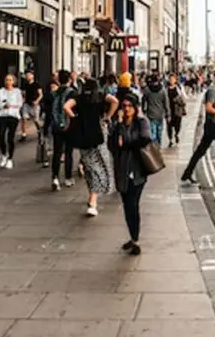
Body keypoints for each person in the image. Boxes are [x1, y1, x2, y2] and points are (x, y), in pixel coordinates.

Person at [65, 77, 118, 217]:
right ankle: (93, 200)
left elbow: (66, 106)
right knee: (99, 166)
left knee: (90, 166)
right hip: (99, 133)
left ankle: (92, 196)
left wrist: (75, 118)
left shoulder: (79, 97)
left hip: (83, 135)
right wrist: (107, 116)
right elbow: (115, 101)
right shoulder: (101, 96)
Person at [109, 91, 152, 254]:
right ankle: (133, 236)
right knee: (127, 206)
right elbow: (112, 145)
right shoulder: (118, 124)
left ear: (135, 107)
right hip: (121, 170)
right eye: (124, 106)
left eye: (129, 106)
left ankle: (136, 240)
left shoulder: (142, 122)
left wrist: (125, 144)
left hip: (137, 171)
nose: (126, 109)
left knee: (133, 205)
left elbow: (145, 139)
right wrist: (119, 125)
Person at [46, 69, 77, 190]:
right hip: (69, 126)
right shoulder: (73, 93)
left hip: (55, 126)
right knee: (68, 153)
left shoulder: (54, 93)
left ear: (58, 80)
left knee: (57, 153)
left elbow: (47, 108)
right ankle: (68, 178)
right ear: (69, 79)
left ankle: (55, 177)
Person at [0, 73, 24, 168]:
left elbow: (20, 103)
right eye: (7, 80)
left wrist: (12, 106)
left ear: (13, 81)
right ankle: (4, 155)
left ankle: (10, 158)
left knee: (10, 138)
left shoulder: (17, 91)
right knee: (1, 136)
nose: (8, 82)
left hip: (13, 115)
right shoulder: (0, 91)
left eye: (10, 80)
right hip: (2, 115)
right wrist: (3, 105)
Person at [142, 72, 170, 145]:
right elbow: (166, 103)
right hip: (160, 115)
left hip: (150, 114)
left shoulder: (147, 90)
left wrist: (143, 111)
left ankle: (155, 147)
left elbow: (143, 101)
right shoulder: (163, 90)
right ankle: (158, 146)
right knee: (159, 133)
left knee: (152, 133)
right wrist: (168, 114)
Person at [19, 69, 42, 141]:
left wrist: (37, 101)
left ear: (32, 76)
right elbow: (24, 94)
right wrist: (22, 101)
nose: (27, 76)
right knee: (24, 119)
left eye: (29, 75)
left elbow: (41, 95)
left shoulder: (37, 84)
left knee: (36, 120)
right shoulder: (25, 85)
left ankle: (39, 131)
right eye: (26, 75)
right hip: (26, 104)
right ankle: (23, 135)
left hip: (35, 105)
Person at [166, 73, 186, 146]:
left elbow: (184, 99)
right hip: (169, 110)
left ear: (175, 80)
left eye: (173, 79)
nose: (171, 80)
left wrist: (177, 100)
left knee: (177, 125)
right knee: (169, 126)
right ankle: (170, 139)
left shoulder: (179, 88)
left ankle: (177, 134)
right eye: (170, 79)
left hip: (177, 110)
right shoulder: (166, 88)